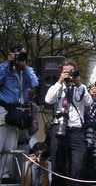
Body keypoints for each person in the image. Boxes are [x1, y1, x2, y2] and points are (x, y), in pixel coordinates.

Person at [44, 60, 92, 186]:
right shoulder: (58, 87)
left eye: (71, 72)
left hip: (76, 130)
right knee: (58, 165)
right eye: (66, 72)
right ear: (61, 73)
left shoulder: (80, 88)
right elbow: (48, 99)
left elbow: (89, 102)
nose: (69, 75)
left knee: (78, 166)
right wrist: (60, 81)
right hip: (59, 127)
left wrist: (78, 83)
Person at [0, 44, 38, 180]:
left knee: (10, 148)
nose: (21, 57)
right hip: (4, 109)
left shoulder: (25, 71)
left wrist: (24, 66)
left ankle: (5, 175)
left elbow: (34, 83)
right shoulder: (5, 68)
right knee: (1, 143)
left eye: (23, 55)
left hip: (18, 112)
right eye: (19, 55)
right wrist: (8, 63)